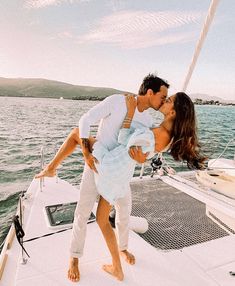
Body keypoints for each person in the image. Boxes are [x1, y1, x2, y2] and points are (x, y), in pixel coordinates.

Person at [36, 74, 169, 282]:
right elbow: (85, 120)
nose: (163, 102)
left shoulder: (148, 120)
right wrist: (87, 154)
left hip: (119, 174)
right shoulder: (117, 101)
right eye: (163, 96)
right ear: (150, 92)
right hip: (97, 164)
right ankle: (74, 257)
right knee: (82, 212)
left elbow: (141, 147)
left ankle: (122, 249)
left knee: (124, 210)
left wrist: (143, 159)